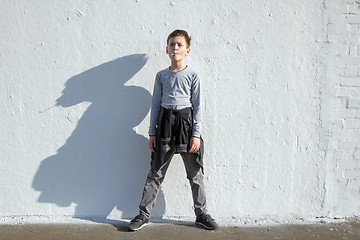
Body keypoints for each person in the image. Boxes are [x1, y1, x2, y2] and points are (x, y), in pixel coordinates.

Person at [128, 29, 218, 231]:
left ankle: (201, 214)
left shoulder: (193, 75)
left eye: (179, 44)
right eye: (172, 44)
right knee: (156, 172)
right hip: (165, 126)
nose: (175, 47)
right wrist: (152, 133)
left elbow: (198, 106)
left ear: (187, 50)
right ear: (166, 48)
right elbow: (155, 105)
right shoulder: (161, 76)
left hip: (186, 125)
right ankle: (143, 214)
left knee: (195, 173)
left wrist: (195, 135)